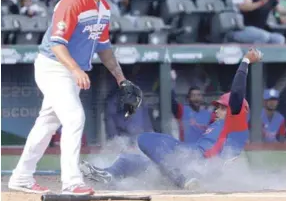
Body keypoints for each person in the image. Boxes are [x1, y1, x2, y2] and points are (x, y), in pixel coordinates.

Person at [8, 0, 142, 196]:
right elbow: (58, 45)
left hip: (69, 70)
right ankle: (72, 182)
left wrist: (121, 79)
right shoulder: (71, 4)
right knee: (74, 118)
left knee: (47, 124)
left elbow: (104, 48)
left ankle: (21, 176)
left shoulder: (104, 8)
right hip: (54, 66)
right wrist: (76, 70)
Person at [80, 48, 263, 189]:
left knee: (145, 139)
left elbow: (238, 92)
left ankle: (181, 179)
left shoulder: (236, 123)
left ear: (237, 111)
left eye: (222, 107)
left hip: (196, 162)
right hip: (187, 158)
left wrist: (245, 61)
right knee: (128, 160)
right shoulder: (219, 125)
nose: (217, 110)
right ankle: (107, 175)